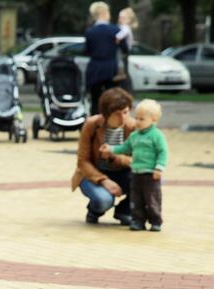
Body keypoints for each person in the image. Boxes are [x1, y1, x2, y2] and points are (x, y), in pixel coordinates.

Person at [101, 99, 168, 231]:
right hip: (136, 173)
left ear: (154, 120)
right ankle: (138, 221)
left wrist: (159, 168)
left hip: (150, 174)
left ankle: (155, 221)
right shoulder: (134, 136)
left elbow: (163, 152)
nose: (137, 121)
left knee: (152, 199)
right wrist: (111, 149)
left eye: (142, 119)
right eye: (136, 118)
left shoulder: (157, 136)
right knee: (136, 199)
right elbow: (125, 148)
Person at [72, 87, 135, 225]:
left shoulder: (133, 127)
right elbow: (83, 162)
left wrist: (115, 156)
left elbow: (139, 160)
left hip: (123, 172)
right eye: (117, 114)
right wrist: (104, 181)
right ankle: (95, 210)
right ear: (106, 114)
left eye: (126, 112)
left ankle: (124, 210)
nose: (123, 117)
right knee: (104, 200)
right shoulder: (92, 125)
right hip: (93, 174)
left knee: (150, 179)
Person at [84, 2, 127, 116]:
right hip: (111, 70)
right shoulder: (115, 30)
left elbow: (87, 51)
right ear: (105, 13)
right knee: (112, 101)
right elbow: (125, 48)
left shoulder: (90, 32)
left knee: (95, 101)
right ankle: (110, 127)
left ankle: (95, 127)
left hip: (94, 70)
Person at [113, 7, 138, 85]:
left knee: (120, 61)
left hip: (124, 51)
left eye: (123, 17)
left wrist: (115, 38)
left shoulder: (125, 28)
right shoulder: (123, 27)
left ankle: (121, 74)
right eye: (120, 17)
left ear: (129, 20)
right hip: (125, 51)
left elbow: (119, 37)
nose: (120, 19)